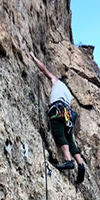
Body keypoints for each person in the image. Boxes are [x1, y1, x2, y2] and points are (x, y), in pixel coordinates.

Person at [30, 52, 85, 184]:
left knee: (58, 132)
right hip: (68, 113)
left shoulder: (57, 82)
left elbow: (44, 69)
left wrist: (33, 57)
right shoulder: (69, 93)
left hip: (58, 109)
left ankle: (68, 160)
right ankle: (80, 164)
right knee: (69, 138)